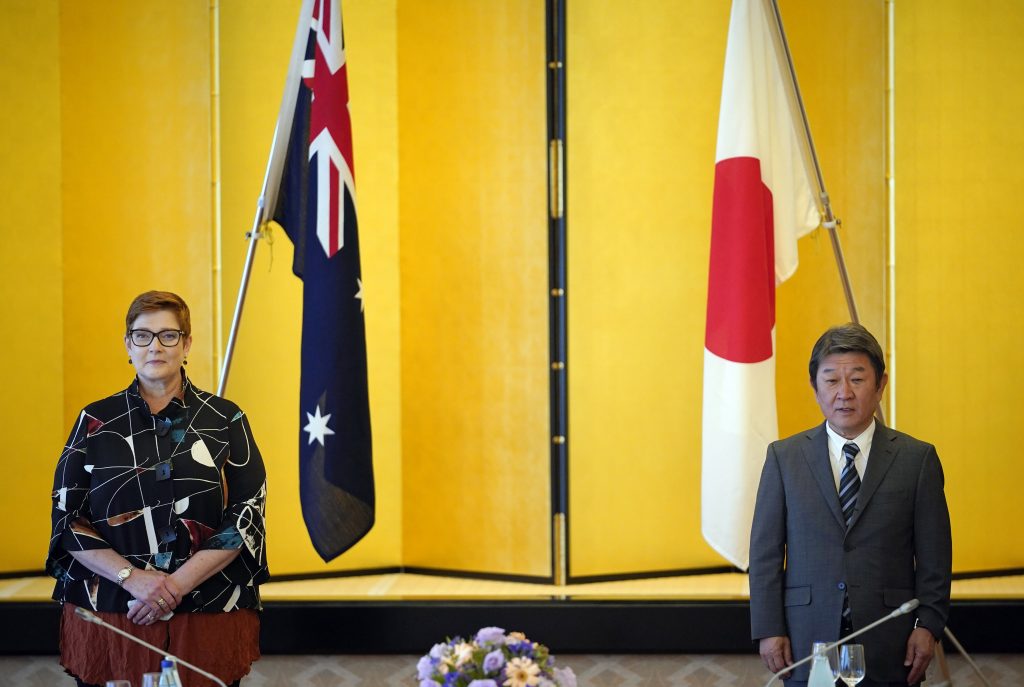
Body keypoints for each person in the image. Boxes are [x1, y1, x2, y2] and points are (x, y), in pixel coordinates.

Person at [47, 291, 268, 687]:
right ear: (128, 345)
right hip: (113, 609)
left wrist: (174, 586)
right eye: (143, 336)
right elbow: (67, 518)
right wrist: (134, 579)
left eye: (168, 335)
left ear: (186, 344)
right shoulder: (95, 420)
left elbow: (246, 517)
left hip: (207, 609)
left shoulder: (225, 418)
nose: (155, 346)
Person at [749, 323, 951, 686]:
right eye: (831, 380)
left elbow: (935, 557)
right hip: (805, 638)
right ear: (815, 388)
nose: (844, 393)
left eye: (857, 379)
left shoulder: (916, 459)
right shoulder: (785, 458)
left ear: (880, 385)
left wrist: (929, 625)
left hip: (891, 637)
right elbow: (764, 554)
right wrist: (768, 627)